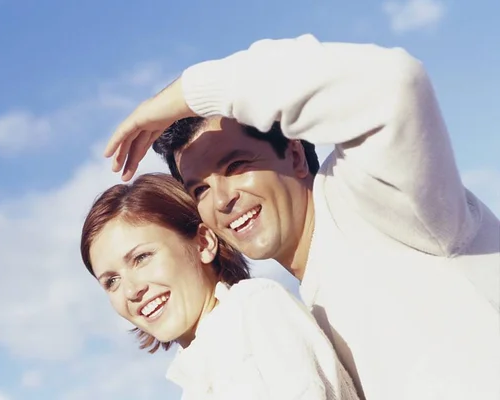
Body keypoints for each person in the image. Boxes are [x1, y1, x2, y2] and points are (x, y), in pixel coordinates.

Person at [103, 34, 500, 400]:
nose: (221, 199)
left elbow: (394, 85)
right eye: (200, 189)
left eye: (237, 165)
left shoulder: (374, 198)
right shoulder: (302, 313)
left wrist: (187, 94)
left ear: (294, 155)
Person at [80, 173, 359, 399]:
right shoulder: (194, 382)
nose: (131, 291)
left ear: (204, 242)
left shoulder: (255, 309)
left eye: (142, 258)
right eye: (111, 281)